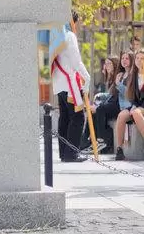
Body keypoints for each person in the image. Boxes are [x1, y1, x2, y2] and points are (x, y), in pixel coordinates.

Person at [51, 10, 90, 162]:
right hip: (70, 83)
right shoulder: (69, 35)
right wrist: (86, 76)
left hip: (58, 82)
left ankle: (64, 153)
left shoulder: (55, 35)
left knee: (65, 118)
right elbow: (76, 61)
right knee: (77, 118)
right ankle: (71, 153)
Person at [89, 57, 121, 152]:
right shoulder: (110, 77)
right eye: (106, 64)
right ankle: (89, 142)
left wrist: (98, 105)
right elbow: (110, 95)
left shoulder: (118, 75)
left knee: (99, 109)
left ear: (115, 64)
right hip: (112, 103)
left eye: (109, 63)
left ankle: (101, 140)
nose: (106, 66)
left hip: (119, 104)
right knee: (92, 111)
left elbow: (116, 95)